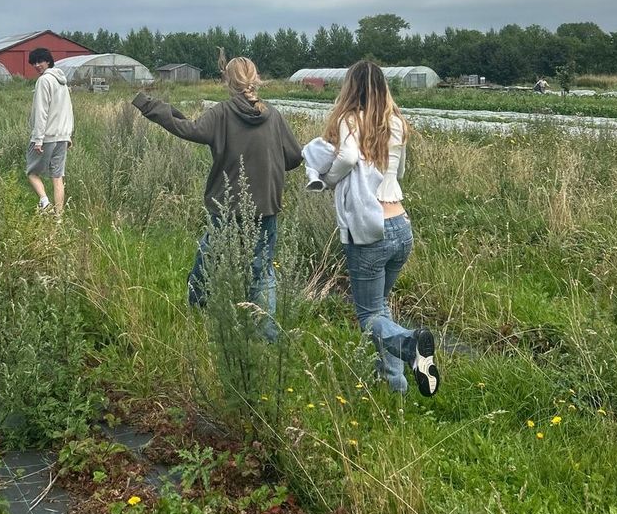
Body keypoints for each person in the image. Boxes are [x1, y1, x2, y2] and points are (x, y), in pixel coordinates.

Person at [131, 56, 303, 338]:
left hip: (228, 205)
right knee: (262, 272)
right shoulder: (272, 114)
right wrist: (269, 165)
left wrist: (150, 106)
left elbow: (189, 129)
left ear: (227, 81)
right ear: (256, 79)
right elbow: (295, 156)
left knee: (208, 258)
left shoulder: (222, 113)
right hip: (267, 205)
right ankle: (267, 334)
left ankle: (197, 310)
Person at [308, 61, 439, 398]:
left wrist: (327, 179)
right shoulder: (397, 122)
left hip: (371, 232)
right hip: (401, 224)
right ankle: (396, 385)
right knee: (381, 306)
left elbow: (349, 157)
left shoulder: (350, 119)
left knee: (369, 317)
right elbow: (401, 170)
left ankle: (409, 346)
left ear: (351, 88)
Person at [26, 47, 74, 215]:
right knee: (57, 176)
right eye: (34, 63)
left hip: (46, 136)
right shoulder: (63, 81)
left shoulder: (44, 81)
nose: (37, 65)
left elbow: (41, 111)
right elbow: (68, 109)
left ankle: (45, 203)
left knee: (32, 172)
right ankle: (59, 218)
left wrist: (38, 139)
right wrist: (68, 134)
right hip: (62, 136)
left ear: (48, 61)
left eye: (40, 61)